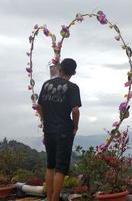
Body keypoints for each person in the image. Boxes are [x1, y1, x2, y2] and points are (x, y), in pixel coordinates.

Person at [38, 58, 81, 201]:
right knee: (61, 167)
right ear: (74, 72)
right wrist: (75, 126)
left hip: (48, 129)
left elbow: (40, 107)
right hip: (64, 130)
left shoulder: (46, 84)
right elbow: (75, 111)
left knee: (50, 165)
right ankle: (55, 199)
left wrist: (45, 121)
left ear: (60, 68)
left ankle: (49, 197)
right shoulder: (73, 87)